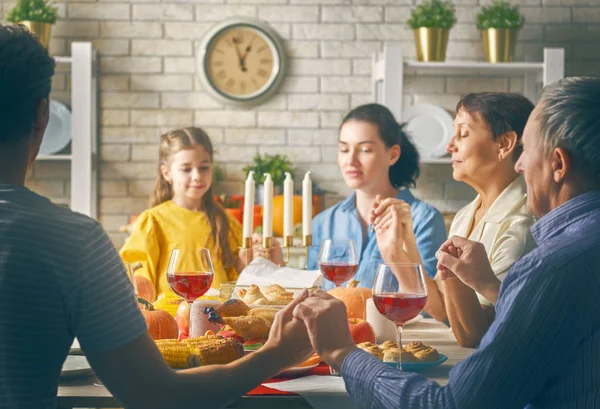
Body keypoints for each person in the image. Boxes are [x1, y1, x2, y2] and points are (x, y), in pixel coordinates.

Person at [0, 24, 312, 408]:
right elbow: (157, 395)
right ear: (42, 115)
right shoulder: (74, 243)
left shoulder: (219, 221)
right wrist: (279, 352)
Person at [292, 77, 600, 408]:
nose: (520, 164)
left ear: (557, 164)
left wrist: (342, 353)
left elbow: (451, 404)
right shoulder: (566, 253)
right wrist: (492, 286)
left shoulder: (550, 266)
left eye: (528, 151)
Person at [371, 92, 536, 347]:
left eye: (463, 133)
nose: (450, 146)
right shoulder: (465, 215)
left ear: (504, 144)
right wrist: (396, 248)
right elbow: (442, 310)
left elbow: (476, 334)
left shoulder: (522, 226)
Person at [308, 103, 447, 290]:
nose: (350, 160)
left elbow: (431, 305)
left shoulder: (424, 220)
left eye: (365, 150)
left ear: (392, 155)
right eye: (344, 150)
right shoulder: (323, 222)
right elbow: (312, 291)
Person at [120, 127, 257, 297]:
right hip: (172, 317)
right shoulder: (154, 220)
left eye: (204, 168)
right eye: (186, 169)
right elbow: (136, 276)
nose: (197, 176)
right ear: (166, 173)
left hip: (217, 316)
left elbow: (236, 283)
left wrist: (246, 261)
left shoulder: (224, 219)